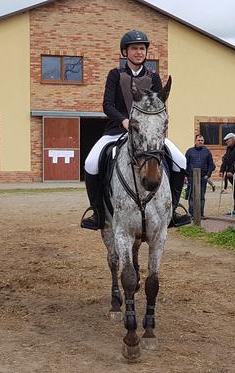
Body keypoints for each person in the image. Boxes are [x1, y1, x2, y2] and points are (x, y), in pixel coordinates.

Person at [81, 30, 191, 230]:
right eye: (134, 48)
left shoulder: (154, 77)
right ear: (125, 52)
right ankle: (97, 213)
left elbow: (159, 106)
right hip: (117, 130)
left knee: (180, 160)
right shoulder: (115, 75)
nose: (139, 52)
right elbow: (107, 105)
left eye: (142, 48)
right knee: (90, 163)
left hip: (149, 133)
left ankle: (172, 211)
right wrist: (124, 121)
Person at [185, 134, 215, 219]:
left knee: (201, 196)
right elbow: (185, 164)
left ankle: (201, 214)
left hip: (203, 177)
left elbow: (211, 165)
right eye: (199, 140)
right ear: (195, 141)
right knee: (192, 196)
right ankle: (191, 214)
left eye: (202, 140)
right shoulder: (189, 151)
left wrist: (208, 175)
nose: (200, 142)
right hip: (191, 177)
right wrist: (186, 176)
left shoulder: (207, 152)